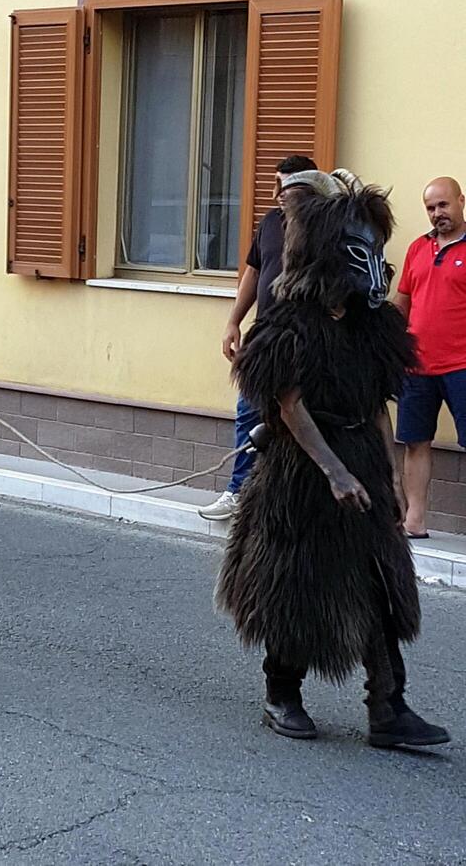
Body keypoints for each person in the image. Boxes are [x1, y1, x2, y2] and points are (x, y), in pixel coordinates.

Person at [215, 169, 449, 748]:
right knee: (299, 579)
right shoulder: (290, 322)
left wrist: (390, 477)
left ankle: (388, 709)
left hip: (361, 458)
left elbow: (377, 404)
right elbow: (288, 403)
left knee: (377, 580)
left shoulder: (373, 329)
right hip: (302, 469)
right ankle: (282, 692)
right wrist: (333, 471)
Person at [198, 155, 317, 521]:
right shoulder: (269, 222)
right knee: (248, 412)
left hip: (304, 340)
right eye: (277, 184)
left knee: (302, 418)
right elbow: (253, 272)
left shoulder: (322, 227)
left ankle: (300, 502)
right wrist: (234, 320)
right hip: (263, 337)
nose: (279, 193)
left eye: (287, 185)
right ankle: (239, 492)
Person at [394, 177, 466, 539]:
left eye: (443, 205)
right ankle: (414, 521)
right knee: (415, 442)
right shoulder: (417, 249)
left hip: (462, 366)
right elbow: (403, 301)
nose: (438, 213)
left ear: (461, 201)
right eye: (431, 207)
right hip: (416, 367)